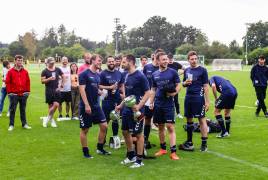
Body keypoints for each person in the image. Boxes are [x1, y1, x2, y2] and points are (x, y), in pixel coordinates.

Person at [115, 54, 150, 168]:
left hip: (137, 112)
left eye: (124, 62)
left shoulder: (140, 76)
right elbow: (128, 95)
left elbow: (148, 93)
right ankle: (131, 156)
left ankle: (139, 160)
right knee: (124, 131)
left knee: (139, 134)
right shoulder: (126, 75)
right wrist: (121, 105)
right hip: (126, 110)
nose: (122, 64)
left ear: (130, 62)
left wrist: (139, 106)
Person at [150, 52, 181, 160]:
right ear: (158, 61)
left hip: (169, 104)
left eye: (166, 59)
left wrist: (174, 93)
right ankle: (163, 148)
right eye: (163, 60)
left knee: (170, 127)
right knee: (161, 126)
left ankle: (173, 152)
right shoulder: (154, 74)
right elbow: (153, 89)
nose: (166, 61)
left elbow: (178, 85)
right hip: (158, 103)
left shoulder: (172, 72)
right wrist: (151, 102)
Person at [79, 54, 111, 158]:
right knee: (85, 129)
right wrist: (87, 105)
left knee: (104, 126)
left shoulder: (98, 75)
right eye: (98, 61)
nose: (100, 63)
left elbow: (95, 88)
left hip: (96, 106)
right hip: (86, 106)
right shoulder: (84, 73)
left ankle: (100, 148)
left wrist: (101, 93)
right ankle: (85, 151)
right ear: (93, 61)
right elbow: (82, 89)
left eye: (101, 61)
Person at [178, 51, 210, 151]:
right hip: (188, 98)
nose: (194, 61)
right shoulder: (187, 70)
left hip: (198, 98)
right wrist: (185, 83)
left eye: (195, 59)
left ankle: (204, 144)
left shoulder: (203, 70)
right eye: (192, 59)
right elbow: (183, 84)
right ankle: (189, 142)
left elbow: (206, 86)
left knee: (201, 119)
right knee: (189, 119)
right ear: (188, 60)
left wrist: (207, 101)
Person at [99, 56, 125, 145]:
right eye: (109, 62)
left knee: (116, 119)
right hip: (107, 100)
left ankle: (115, 140)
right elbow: (99, 86)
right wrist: (109, 87)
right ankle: (103, 141)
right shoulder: (102, 73)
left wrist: (124, 93)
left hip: (117, 99)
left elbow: (121, 85)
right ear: (106, 63)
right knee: (105, 120)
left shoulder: (119, 73)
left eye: (112, 61)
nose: (111, 63)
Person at [143, 49, 165, 145]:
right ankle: (145, 140)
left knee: (160, 121)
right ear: (154, 56)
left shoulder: (164, 69)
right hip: (148, 97)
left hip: (160, 98)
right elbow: (142, 81)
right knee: (147, 119)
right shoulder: (147, 67)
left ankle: (162, 144)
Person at [6, 55, 31, 131]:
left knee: (23, 110)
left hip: (23, 94)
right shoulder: (10, 71)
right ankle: (11, 125)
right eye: (18, 60)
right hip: (14, 94)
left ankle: (24, 124)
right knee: (13, 110)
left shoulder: (25, 71)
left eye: (21, 60)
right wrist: (10, 92)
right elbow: (7, 82)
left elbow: (28, 82)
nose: (20, 62)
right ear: (15, 61)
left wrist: (27, 92)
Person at [41, 57, 66, 128]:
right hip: (48, 91)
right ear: (48, 62)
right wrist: (49, 79)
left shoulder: (57, 69)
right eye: (51, 62)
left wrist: (61, 86)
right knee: (50, 106)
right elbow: (42, 81)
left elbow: (64, 76)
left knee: (56, 105)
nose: (52, 64)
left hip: (56, 90)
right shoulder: (45, 71)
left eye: (53, 62)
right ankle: (52, 120)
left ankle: (47, 118)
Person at [167, 53, 186, 118]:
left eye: (171, 57)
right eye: (169, 58)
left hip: (175, 84)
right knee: (167, 99)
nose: (170, 59)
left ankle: (178, 113)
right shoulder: (166, 65)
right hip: (167, 84)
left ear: (172, 58)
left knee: (176, 99)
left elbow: (185, 69)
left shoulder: (176, 64)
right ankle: (168, 113)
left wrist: (179, 74)